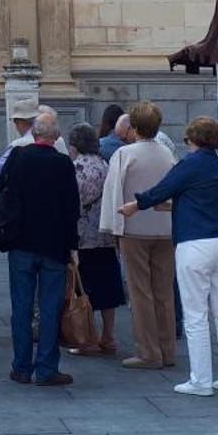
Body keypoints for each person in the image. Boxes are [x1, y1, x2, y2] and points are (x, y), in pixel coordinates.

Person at [120, 115, 218, 396]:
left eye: (187, 140)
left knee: (196, 313)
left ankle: (200, 380)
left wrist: (134, 205)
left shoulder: (190, 164)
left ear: (194, 140)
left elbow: (162, 190)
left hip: (197, 242)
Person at [0, 108, 79, 387]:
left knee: (21, 307)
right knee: (50, 307)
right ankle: (46, 368)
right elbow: (72, 210)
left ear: (34, 135)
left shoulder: (18, 158)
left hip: (21, 242)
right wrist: (72, 247)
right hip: (53, 245)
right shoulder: (64, 164)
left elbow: (3, 195)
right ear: (55, 138)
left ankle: (20, 367)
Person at [102, 100, 179, 370]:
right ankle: (168, 349)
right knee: (164, 292)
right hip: (166, 228)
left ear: (134, 127)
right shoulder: (168, 154)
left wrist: (111, 228)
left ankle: (148, 351)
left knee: (140, 293)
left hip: (134, 228)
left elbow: (113, 193)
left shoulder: (125, 154)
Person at [67, 122, 126, 358]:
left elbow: (73, 204)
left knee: (86, 289)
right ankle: (109, 336)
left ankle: (88, 338)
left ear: (75, 145)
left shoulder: (76, 168)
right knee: (109, 286)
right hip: (107, 234)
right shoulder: (106, 165)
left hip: (84, 237)